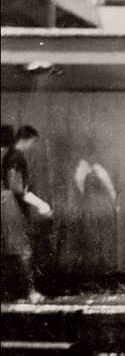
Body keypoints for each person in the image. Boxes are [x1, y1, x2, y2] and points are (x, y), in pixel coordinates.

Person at [1, 125, 52, 302]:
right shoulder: (15, 157)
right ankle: (31, 293)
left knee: (16, 251)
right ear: (26, 139)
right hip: (13, 208)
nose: (32, 146)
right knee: (24, 251)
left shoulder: (11, 156)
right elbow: (15, 186)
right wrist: (41, 204)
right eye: (32, 142)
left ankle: (20, 292)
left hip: (12, 207)